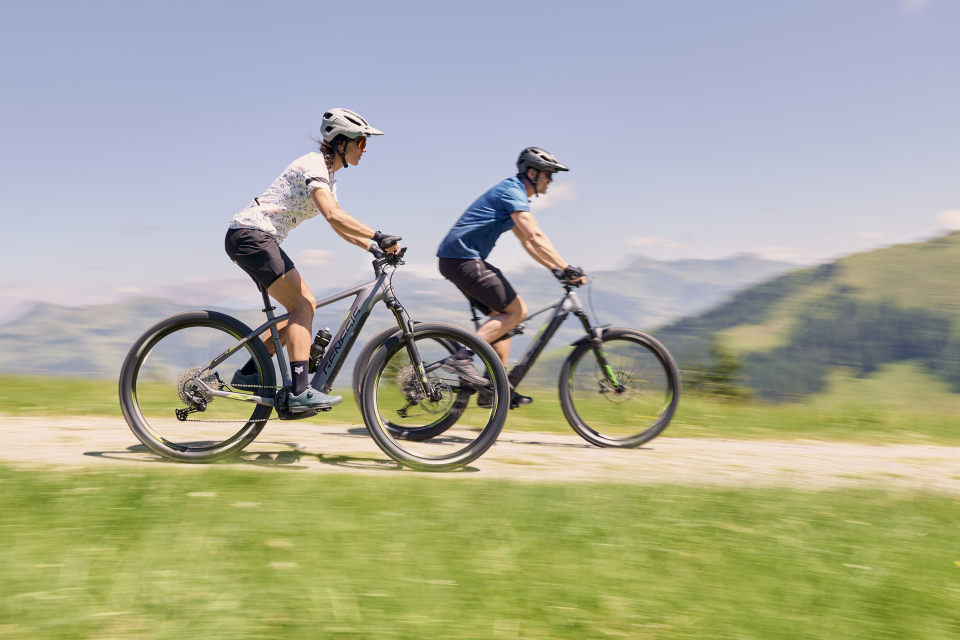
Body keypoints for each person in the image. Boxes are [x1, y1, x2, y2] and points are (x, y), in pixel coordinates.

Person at [225, 108, 401, 413]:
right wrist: (378, 235)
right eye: (361, 141)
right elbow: (334, 215)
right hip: (252, 236)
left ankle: (250, 374)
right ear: (341, 142)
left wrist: (374, 248)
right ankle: (300, 390)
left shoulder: (328, 178)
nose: (365, 148)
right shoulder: (314, 165)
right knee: (304, 305)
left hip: (253, 238)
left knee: (301, 309)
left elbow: (337, 225)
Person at [436, 147, 586, 407]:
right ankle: (461, 357)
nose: (551, 180)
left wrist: (556, 270)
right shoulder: (512, 192)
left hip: (458, 259)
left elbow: (527, 243)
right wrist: (567, 266)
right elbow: (534, 236)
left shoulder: (513, 195)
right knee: (517, 312)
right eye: (548, 174)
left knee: (503, 320)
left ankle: (495, 389)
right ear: (531, 172)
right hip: (462, 259)